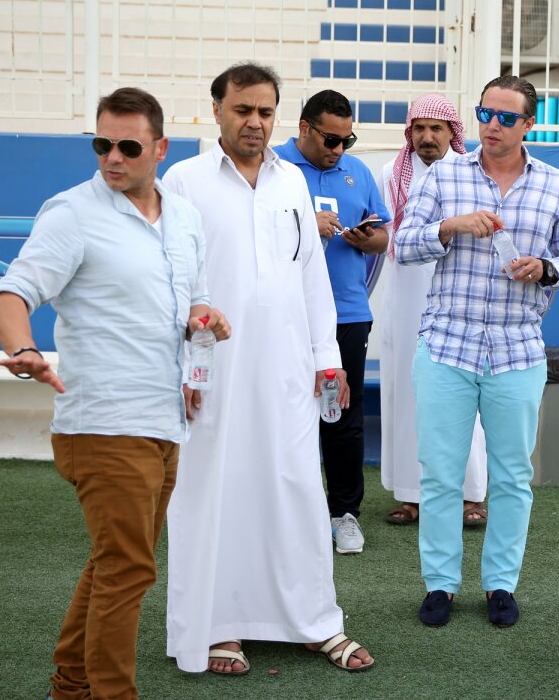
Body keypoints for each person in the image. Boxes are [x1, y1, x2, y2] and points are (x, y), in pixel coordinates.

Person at [0, 87, 231, 700]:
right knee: (127, 569)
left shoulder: (183, 217)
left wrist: (203, 319)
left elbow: (194, 299)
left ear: (160, 148)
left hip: (165, 419)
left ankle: (70, 685)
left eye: (127, 146)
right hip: (103, 422)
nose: (112, 158)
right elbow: (13, 292)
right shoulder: (71, 214)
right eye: (102, 145)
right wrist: (23, 348)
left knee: (115, 563)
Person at [162, 64, 373, 677]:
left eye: (264, 111)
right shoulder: (184, 181)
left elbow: (310, 276)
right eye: (242, 110)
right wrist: (185, 365)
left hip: (288, 369)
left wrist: (327, 360)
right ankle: (218, 626)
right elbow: (172, 279)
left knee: (297, 488)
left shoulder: (291, 182)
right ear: (216, 111)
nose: (254, 122)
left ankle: (314, 621)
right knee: (214, 492)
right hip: (213, 371)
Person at [395, 75, 559, 629]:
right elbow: (403, 245)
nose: (492, 126)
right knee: (439, 474)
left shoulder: (556, 184)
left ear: (529, 124)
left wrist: (545, 268)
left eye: (505, 117)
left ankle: (501, 584)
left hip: (517, 348)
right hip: (446, 345)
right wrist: (449, 227)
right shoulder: (445, 174)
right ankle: (439, 585)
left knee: (511, 477)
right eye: (484, 114)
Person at [273, 90, 389, 555]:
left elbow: (383, 237)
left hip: (348, 314)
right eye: (331, 139)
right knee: (283, 414)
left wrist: (365, 238)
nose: (339, 149)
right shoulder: (273, 168)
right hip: (285, 314)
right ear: (304, 128)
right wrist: (307, 224)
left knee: (343, 417)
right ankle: (286, 516)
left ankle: (344, 514)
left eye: (347, 140)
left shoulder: (358, 173)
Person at [378, 93, 489, 528]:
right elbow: (389, 234)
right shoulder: (391, 173)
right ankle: (411, 494)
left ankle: (469, 494)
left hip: (458, 295)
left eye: (436, 129)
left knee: (462, 394)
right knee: (406, 391)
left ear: (451, 132)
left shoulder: (470, 172)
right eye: (419, 128)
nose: (427, 137)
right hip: (406, 294)